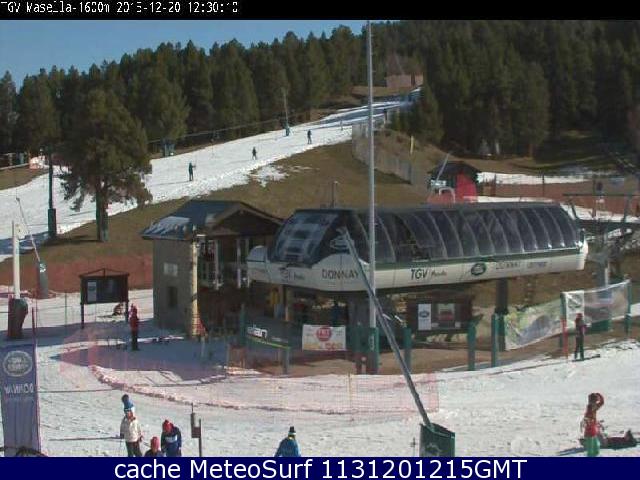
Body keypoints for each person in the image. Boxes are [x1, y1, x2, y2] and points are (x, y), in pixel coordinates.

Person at [582, 392, 604, 457]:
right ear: (591, 402)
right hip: (589, 434)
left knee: (596, 450)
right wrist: (591, 422)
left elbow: (602, 403)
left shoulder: (594, 408)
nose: (596, 403)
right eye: (594, 402)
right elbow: (587, 421)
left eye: (596, 402)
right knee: (590, 452)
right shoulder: (589, 410)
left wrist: (599, 395)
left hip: (594, 432)